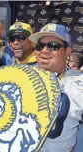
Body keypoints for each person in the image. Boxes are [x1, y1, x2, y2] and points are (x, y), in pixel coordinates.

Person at [28, 23, 83, 152]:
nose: (44, 51)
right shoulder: (19, 76)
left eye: (53, 46)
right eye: (40, 46)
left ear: (67, 51)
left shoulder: (79, 83)